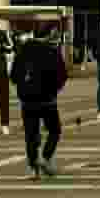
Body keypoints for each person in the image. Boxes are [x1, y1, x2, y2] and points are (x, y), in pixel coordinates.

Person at [10, 21, 67, 180]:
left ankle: (32, 168)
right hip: (47, 100)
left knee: (31, 133)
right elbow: (62, 75)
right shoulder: (52, 51)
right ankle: (45, 157)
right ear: (49, 34)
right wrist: (54, 90)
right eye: (55, 33)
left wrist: (22, 88)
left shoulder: (23, 50)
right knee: (54, 130)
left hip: (27, 100)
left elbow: (14, 75)